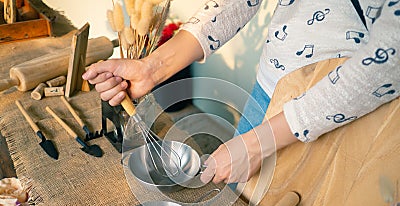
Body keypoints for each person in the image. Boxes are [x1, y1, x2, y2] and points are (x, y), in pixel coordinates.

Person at [83, 0, 399, 185]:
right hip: (267, 88)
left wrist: (259, 143)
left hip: (340, 114)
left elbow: (390, 58)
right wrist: (152, 68)